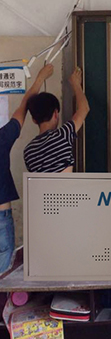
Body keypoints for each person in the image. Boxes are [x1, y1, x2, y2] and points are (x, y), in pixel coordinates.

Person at [0, 63, 54, 272]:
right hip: (1, 217)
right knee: (4, 277)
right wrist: (40, 78)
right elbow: (23, 106)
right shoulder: (2, 138)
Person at [24, 67, 90, 173]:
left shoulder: (28, 152)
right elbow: (84, 109)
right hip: (66, 185)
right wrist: (76, 84)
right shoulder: (62, 135)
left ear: (34, 120)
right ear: (55, 113)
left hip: (43, 185)